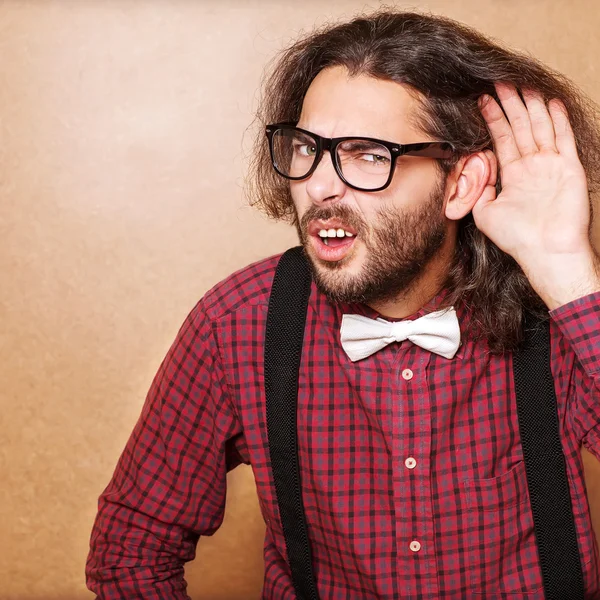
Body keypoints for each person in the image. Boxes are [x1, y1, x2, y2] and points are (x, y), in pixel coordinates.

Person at [86, 9, 600, 599]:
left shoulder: (554, 316)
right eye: (307, 148)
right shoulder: (237, 324)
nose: (320, 186)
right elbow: (130, 551)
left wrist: (565, 268)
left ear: (459, 184)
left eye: (368, 154)